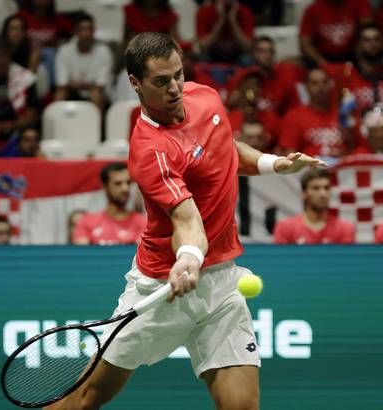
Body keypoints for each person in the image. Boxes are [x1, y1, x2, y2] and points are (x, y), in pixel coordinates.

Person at [44, 32, 327, 410]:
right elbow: (186, 219)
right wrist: (189, 258)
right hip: (162, 287)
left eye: (178, 74)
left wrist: (271, 164)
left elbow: (224, 149)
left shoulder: (204, 96)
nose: (175, 88)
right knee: (85, 400)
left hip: (221, 282)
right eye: (161, 81)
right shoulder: (150, 150)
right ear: (135, 83)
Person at [324, 24, 383, 115]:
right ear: (358, 45)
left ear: (382, 44)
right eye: (367, 40)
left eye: (376, 39)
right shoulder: (345, 74)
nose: (373, 44)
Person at [280, 67, 353, 157]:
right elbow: (289, 155)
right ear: (306, 87)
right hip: (309, 168)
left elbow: (355, 149)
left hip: (341, 167)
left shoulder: (343, 113)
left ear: (331, 85)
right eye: (315, 83)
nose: (320, 87)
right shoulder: (294, 116)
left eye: (324, 82)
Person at [273, 168, 355, 244]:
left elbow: (346, 259)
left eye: (326, 188)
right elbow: (280, 259)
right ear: (304, 194)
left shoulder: (344, 228)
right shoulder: (285, 228)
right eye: (316, 188)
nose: (323, 194)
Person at [72, 163, 146, 245]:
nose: (125, 188)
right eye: (118, 183)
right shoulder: (86, 222)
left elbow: (144, 254)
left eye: (128, 183)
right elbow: (81, 255)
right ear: (104, 187)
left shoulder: (143, 223)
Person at [54, 12, 113, 114]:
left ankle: (99, 128)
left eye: (89, 29)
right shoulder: (64, 50)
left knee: (96, 94)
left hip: (96, 94)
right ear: (75, 32)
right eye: (82, 29)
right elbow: (62, 84)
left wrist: (77, 84)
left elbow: (100, 85)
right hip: (71, 93)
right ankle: (56, 127)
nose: (86, 34)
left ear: (94, 31)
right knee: (60, 94)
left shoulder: (104, 51)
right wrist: (87, 85)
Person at [299, 0, 372, 65]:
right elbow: (305, 42)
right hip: (324, 57)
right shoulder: (313, 9)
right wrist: (323, 63)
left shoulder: (359, 3)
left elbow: (368, 30)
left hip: (354, 54)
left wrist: (363, 61)